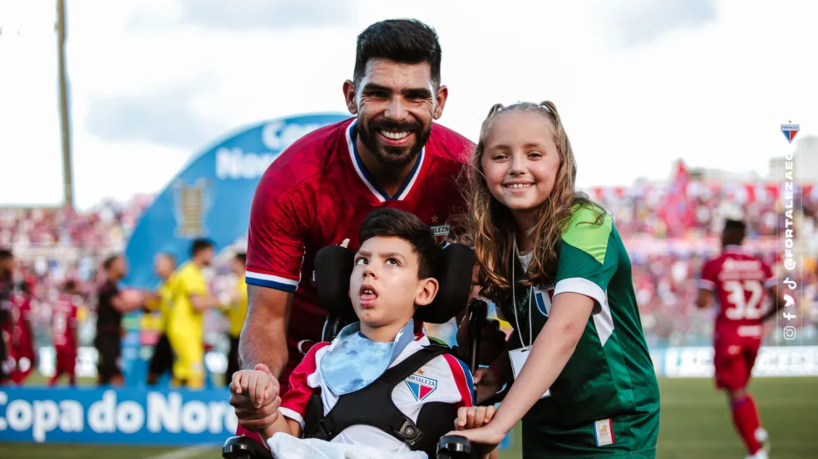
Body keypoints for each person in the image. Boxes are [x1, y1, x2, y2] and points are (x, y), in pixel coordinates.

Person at [232, 18, 483, 440]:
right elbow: (268, 316)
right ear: (351, 96)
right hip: (305, 368)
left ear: (439, 102)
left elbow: (482, 296)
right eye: (379, 94)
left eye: (415, 96)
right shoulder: (292, 179)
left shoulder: (468, 175)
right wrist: (262, 388)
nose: (397, 113)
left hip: (415, 368)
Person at [449, 101, 661, 458]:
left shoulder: (587, 224)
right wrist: (496, 376)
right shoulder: (498, 240)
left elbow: (563, 330)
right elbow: (530, 331)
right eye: (500, 156)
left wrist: (499, 425)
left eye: (534, 154)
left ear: (560, 161)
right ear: (481, 166)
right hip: (543, 417)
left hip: (611, 421)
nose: (517, 167)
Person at [232, 208, 490, 457]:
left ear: (424, 291)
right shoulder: (319, 359)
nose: (369, 269)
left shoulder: (447, 368)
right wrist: (265, 412)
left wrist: (479, 431)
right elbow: (287, 444)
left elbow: (472, 448)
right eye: (362, 260)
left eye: (392, 262)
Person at [695, 219, 780, 459]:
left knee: (736, 392)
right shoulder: (760, 264)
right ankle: (757, 430)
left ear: (727, 235)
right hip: (753, 335)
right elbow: (781, 301)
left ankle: (756, 451)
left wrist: (702, 298)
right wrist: (758, 319)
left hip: (729, 336)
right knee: (741, 387)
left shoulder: (715, 264)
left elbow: (702, 301)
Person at [167, 239, 218, 389]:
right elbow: (197, 304)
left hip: (186, 330)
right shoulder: (190, 272)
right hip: (185, 330)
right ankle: (193, 405)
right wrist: (220, 300)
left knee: (182, 373)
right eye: (210, 252)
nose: (212, 256)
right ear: (200, 252)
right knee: (196, 375)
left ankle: (172, 405)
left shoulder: (189, 271)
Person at [95, 254, 145, 385]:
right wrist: (143, 301)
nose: (126, 267)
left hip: (112, 337)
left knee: (105, 376)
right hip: (107, 339)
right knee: (115, 376)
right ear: (112, 267)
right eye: (122, 263)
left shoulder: (114, 287)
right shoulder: (108, 287)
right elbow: (121, 306)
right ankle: (121, 402)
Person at [145, 253, 177, 386]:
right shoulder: (161, 287)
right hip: (166, 334)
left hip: (178, 337)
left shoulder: (178, 283)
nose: (155, 267)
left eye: (159, 263)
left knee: (178, 375)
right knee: (153, 373)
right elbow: (148, 307)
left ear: (170, 265)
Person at [219, 252, 248, 383]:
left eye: (234, 263)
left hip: (244, 335)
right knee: (231, 372)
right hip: (235, 333)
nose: (231, 266)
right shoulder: (237, 284)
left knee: (239, 372)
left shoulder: (247, 283)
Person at [50, 280, 80, 387]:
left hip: (58, 341)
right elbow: (73, 326)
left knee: (59, 370)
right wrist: (76, 345)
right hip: (68, 342)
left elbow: (52, 322)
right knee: (71, 373)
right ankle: (73, 397)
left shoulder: (57, 303)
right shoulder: (72, 304)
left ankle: (48, 390)